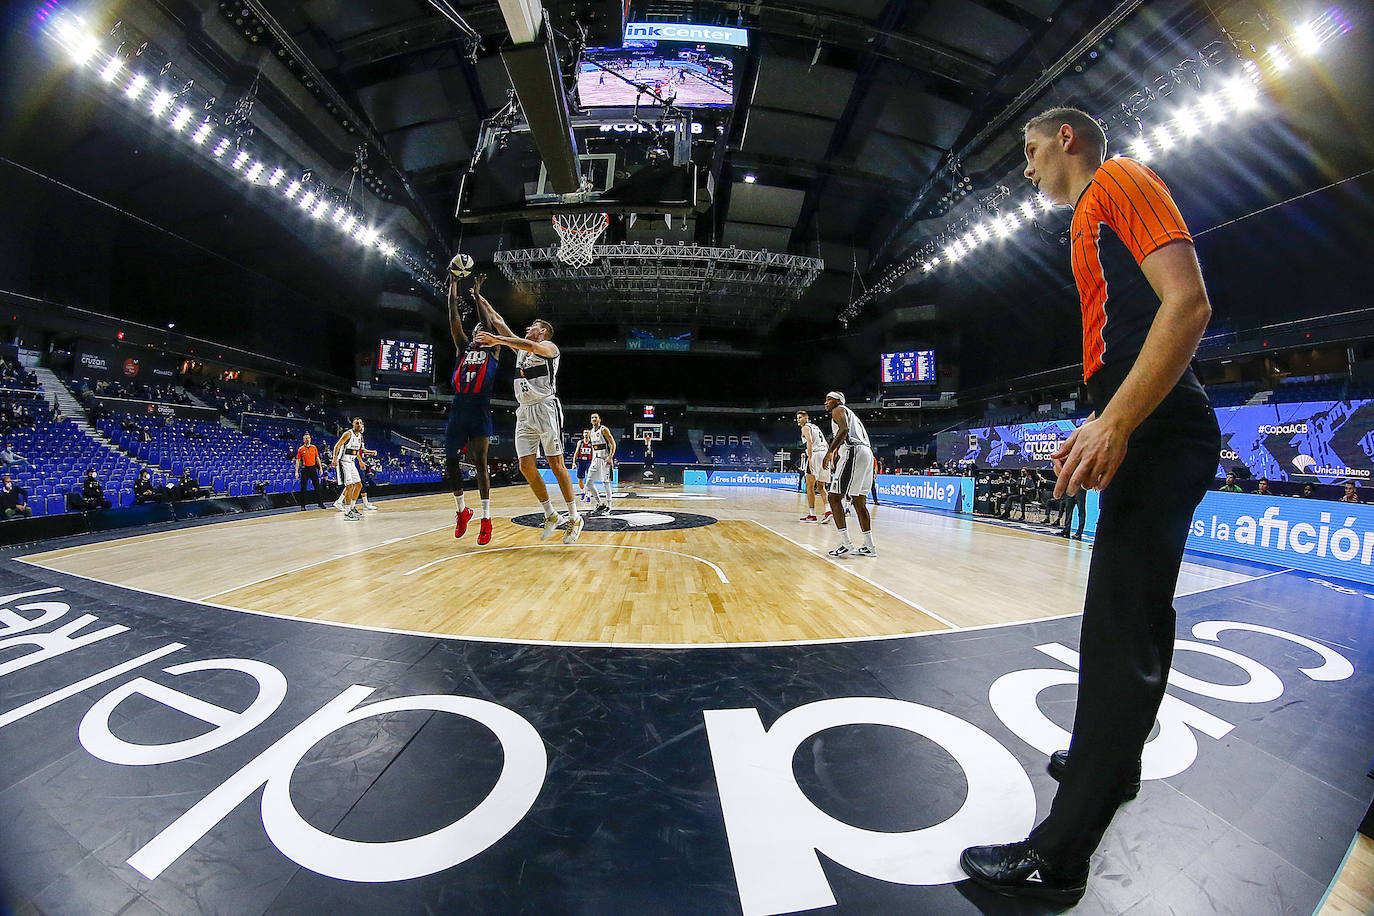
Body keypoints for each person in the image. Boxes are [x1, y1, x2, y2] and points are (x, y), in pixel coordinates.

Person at [960, 107, 1220, 901]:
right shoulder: (1085, 219)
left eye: (1032, 151)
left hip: (1163, 429)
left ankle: (1060, 854)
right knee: (1135, 619)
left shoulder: (1120, 179)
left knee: (1116, 634)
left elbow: (1188, 303)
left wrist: (1117, 419)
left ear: (1066, 139)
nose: (1028, 169)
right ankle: (1119, 758)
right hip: (1144, 422)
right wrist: (1102, 413)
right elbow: (1129, 337)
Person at [473, 301, 583, 544]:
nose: (528, 327)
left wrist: (499, 340)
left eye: (533, 325)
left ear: (542, 331)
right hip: (524, 411)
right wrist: (481, 299)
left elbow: (527, 343)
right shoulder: (522, 350)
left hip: (546, 407)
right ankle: (551, 514)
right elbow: (500, 323)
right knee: (525, 467)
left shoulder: (549, 347)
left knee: (556, 463)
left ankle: (575, 517)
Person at [447, 274, 502, 544]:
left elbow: (490, 322)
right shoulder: (462, 348)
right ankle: (462, 511)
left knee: (481, 464)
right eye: (477, 329)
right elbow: (453, 317)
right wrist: (453, 287)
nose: (480, 331)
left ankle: (486, 519)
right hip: (459, 407)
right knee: (450, 461)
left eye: (484, 330)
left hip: (480, 407)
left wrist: (477, 296)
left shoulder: (494, 351)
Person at [820, 391, 875, 557]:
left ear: (838, 401)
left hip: (854, 451)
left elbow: (843, 430)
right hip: (867, 453)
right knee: (859, 501)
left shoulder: (838, 410)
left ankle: (846, 543)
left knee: (834, 497)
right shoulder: (852, 415)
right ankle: (869, 546)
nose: (826, 402)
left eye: (829, 399)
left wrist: (829, 452)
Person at [330, 418, 375, 520]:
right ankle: (347, 512)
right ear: (353, 425)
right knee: (349, 486)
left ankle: (352, 507)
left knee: (359, 485)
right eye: (357, 423)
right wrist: (334, 458)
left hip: (352, 462)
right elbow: (337, 446)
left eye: (360, 423)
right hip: (343, 462)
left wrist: (360, 461)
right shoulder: (348, 434)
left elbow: (357, 452)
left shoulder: (360, 436)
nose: (359, 425)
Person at [796, 410, 831, 523]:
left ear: (807, 418)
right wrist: (829, 458)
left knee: (809, 486)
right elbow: (826, 444)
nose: (798, 420)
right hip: (824, 454)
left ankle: (812, 514)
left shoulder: (805, 427)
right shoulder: (816, 427)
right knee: (821, 486)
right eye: (797, 418)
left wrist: (810, 458)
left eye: (800, 417)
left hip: (816, 455)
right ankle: (828, 511)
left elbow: (809, 442)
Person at [586, 412, 616, 516]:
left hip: (604, 459)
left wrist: (610, 457)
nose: (594, 419)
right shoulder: (590, 432)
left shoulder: (603, 429)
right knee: (588, 483)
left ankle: (609, 506)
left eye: (595, 417)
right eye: (592, 417)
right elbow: (594, 449)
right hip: (595, 460)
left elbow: (613, 444)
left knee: (606, 483)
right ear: (591, 420)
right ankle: (600, 503)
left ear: (599, 420)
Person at [295, 433, 326, 510]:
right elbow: (298, 461)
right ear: (303, 440)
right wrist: (296, 472)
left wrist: (321, 468)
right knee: (303, 487)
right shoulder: (301, 449)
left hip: (313, 468)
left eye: (308, 438)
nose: (307, 439)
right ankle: (303, 505)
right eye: (306, 438)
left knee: (317, 486)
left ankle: (320, 503)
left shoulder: (314, 447)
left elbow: (317, 458)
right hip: (305, 469)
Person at [574, 430, 594, 503]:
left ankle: (588, 495)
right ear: (583, 434)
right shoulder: (580, 442)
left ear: (589, 434)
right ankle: (583, 492)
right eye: (585, 432)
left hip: (589, 461)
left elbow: (594, 452)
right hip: (581, 461)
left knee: (589, 479)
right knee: (580, 479)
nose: (586, 434)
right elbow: (576, 452)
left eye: (587, 432)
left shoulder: (592, 442)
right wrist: (574, 462)